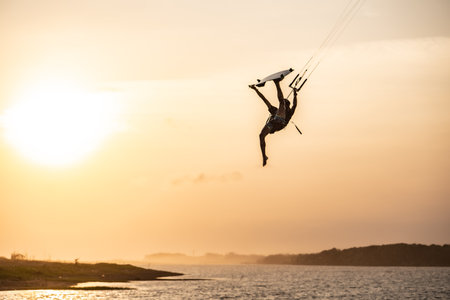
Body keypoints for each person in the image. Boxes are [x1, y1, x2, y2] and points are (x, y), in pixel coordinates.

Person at [249, 78, 298, 166]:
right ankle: (264, 156)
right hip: (272, 124)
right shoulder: (275, 110)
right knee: (261, 136)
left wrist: (295, 94)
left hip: (280, 123)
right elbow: (264, 99)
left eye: (286, 104)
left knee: (281, 103)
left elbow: (294, 104)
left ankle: (277, 83)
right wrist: (255, 89)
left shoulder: (289, 112)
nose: (284, 105)